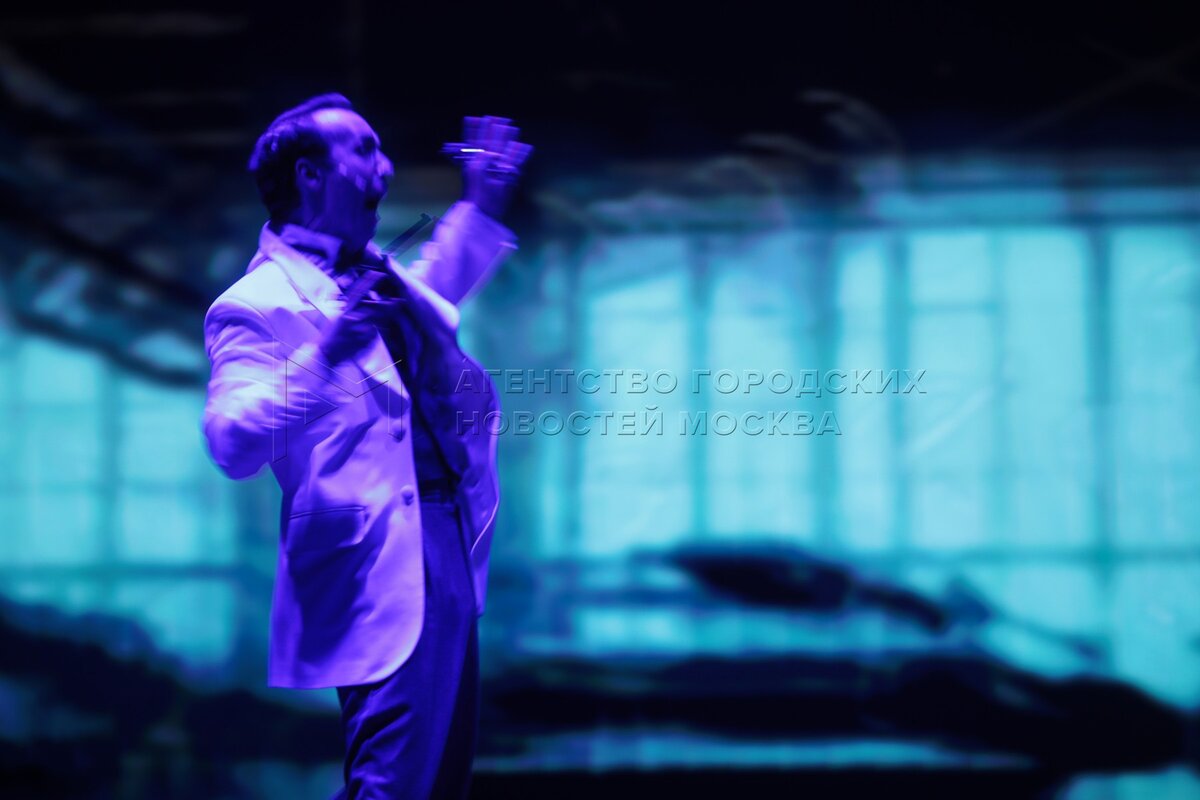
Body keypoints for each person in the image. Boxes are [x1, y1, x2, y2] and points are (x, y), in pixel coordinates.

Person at [200, 93, 530, 798]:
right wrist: (327, 354)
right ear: (311, 174)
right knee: (392, 782)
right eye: (364, 150)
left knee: (437, 779)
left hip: (444, 534)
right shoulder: (254, 304)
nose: (385, 167)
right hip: (374, 557)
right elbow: (231, 441)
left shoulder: (372, 269)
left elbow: (432, 293)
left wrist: (478, 207)